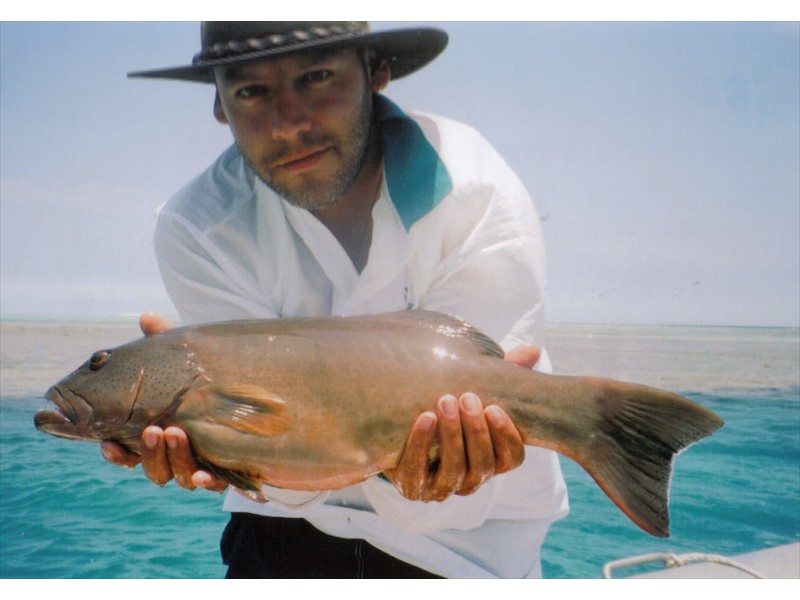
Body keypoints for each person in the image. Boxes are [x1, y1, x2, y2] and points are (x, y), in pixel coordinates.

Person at [103, 21, 568, 578]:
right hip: (281, 529)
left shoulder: (474, 189)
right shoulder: (198, 225)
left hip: (465, 551)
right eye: (251, 91)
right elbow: (270, 461)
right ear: (220, 106)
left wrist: (246, 442)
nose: (286, 124)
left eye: (317, 76)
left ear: (376, 71)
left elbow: (463, 478)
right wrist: (212, 442)